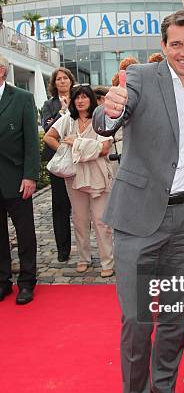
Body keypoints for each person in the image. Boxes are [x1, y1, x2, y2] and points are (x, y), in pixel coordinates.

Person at [92, 10, 184, 393]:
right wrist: (108, 113)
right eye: (176, 44)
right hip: (137, 220)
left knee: (176, 316)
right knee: (135, 320)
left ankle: (164, 390)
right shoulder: (142, 79)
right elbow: (107, 121)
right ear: (164, 46)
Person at [44, 84, 114, 278]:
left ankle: (108, 260)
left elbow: (104, 148)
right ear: (73, 101)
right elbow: (49, 137)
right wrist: (64, 151)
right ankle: (84, 258)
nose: (81, 100)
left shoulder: (100, 118)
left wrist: (76, 144)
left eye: (84, 97)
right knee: (80, 219)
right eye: (77, 97)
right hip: (74, 176)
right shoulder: (67, 120)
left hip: (98, 175)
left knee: (101, 222)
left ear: (91, 99)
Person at [0, 54, 40, 305]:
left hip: (16, 178)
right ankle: (3, 281)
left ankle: (26, 282)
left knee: (25, 233)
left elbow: (31, 143)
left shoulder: (22, 98)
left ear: (1, 71)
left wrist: (30, 176)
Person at [42, 67, 75, 262]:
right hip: (58, 160)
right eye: (58, 79)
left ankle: (85, 248)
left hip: (80, 158)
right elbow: (47, 128)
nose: (62, 81)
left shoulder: (81, 98)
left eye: (65, 78)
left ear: (71, 80)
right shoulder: (49, 104)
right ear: (54, 84)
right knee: (60, 205)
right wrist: (62, 111)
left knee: (82, 207)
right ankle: (63, 249)